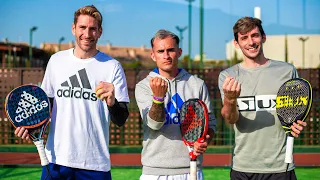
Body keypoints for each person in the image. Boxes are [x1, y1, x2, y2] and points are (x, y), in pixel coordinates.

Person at [14, 5, 129, 180]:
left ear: (100, 32)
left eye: (93, 29)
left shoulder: (112, 66)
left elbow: (121, 119)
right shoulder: (56, 61)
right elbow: (45, 106)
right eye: (82, 27)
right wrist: (29, 126)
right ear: (73, 28)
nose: (87, 34)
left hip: (95, 164)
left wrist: (112, 102)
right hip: (56, 160)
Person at [218, 16, 307, 180]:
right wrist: (230, 99)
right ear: (236, 43)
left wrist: (297, 124)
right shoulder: (228, 76)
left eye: (255, 35)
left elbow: (294, 113)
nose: (250, 42)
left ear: (263, 37)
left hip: (281, 166)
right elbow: (230, 119)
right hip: (243, 166)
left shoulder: (287, 71)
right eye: (244, 38)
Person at [135, 29, 217, 180]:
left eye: (171, 50)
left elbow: (210, 123)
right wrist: (158, 98)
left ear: (179, 52)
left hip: (191, 169)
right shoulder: (144, 86)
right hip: (154, 172)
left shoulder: (197, 84)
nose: (166, 56)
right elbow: (153, 124)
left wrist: (205, 140)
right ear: (153, 55)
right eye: (160, 51)